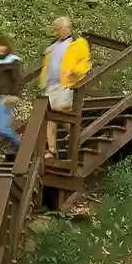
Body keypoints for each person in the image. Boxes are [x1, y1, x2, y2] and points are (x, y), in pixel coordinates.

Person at [40, 16, 91, 159]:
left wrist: (75, 71)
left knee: (59, 111)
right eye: (56, 29)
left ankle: (77, 135)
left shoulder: (78, 43)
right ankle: (51, 150)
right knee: (50, 115)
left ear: (67, 28)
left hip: (68, 84)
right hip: (52, 85)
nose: (58, 32)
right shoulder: (53, 45)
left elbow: (86, 63)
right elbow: (47, 64)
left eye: (59, 28)